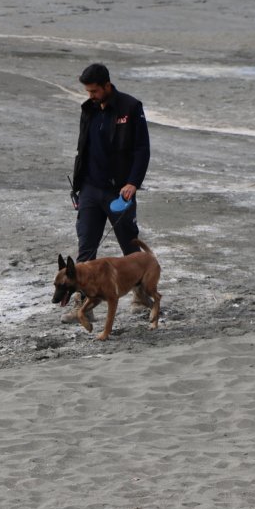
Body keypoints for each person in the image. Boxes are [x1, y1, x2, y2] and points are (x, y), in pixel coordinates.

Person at [63, 63, 151, 323]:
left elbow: (142, 150)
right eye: (88, 91)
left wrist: (133, 182)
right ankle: (83, 304)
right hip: (89, 187)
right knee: (86, 246)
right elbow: (84, 148)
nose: (90, 95)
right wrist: (78, 186)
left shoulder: (130, 107)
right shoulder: (88, 109)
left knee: (130, 244)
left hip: (119, 190)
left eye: (94, 91)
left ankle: (142, 294)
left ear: (106, 85)